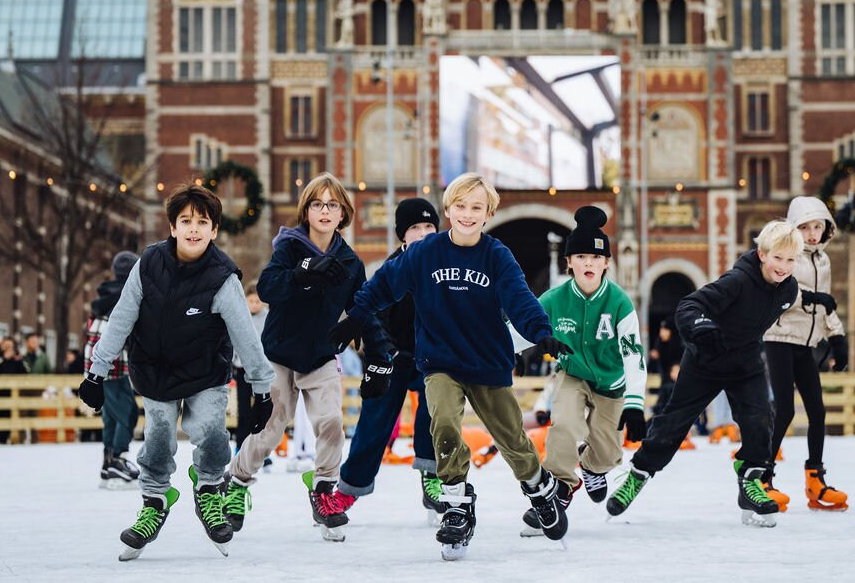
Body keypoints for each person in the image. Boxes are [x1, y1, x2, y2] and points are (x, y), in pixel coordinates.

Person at [328, 172, 573, 559]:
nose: (468, 214)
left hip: (489, 363)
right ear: (448, 210)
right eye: (460, 206)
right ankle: (457, 504)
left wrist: (540, 333)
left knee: (512, 439)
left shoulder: (496, 255)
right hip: (440, 361)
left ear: (488, 213)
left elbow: (519, 298)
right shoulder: (425, 253)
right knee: (440, 422)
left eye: (477, 207)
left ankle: (539, 488)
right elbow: (385, 282)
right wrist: (355, 317)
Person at [78, 184, 275, 559]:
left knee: (209, 432)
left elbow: (245, 336)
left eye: (203, 222)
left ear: (214, 230)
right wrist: (96, 372)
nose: (194, 229)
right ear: (172, 226)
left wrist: (261, 388)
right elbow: (120, 318)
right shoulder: (149, 264)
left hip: (205, 371)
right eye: (186, 221)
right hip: (154, 369)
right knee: (159, 438)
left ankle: (209, 491)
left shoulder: (223, 277)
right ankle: (155, 501)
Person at [224, 172, 390, 542]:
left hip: (320, 355)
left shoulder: (349, 262)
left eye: (332, 204)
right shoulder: (290, 247)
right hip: (280, 353)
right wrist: (303, 272)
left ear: (343, 212)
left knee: (331, 421)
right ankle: (235, 481)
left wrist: (380, 354)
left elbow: (363, 310)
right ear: (307, 211)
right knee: (270, 429)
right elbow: (266, 287)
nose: (325, 210)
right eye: (318, 204)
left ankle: (324, 490)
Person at [606, 220, 804, 528]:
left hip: (746, 364)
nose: (784, 266)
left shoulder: (789, 291)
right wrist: (702, 330)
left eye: (791, 260)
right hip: (705, 362)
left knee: (760, 420)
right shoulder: (738, 280)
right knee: (672, 424)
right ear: (763, 254)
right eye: (778, 258)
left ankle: (750, 481)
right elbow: (689, 306)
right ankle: (637, 476)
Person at [513, 205, 646, 536]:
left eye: (595, 257)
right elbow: (522, 328)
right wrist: (505, 352)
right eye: (581, 257)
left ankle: (591, 466)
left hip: (612, 383)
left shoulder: (619, 303)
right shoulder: (555, 298)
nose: (589, 263)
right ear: (569, 262)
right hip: (572, 373)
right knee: (564, 423)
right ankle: (555, 493)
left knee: (609, 452)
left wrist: (635, 404)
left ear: (606, 263)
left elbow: (634, 357)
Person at [336, 198, 445, 520]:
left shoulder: (446, 266)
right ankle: (348, 488)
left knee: (436, 414)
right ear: (402, 235)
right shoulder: (391, 270)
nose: (423, 234)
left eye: (429, 227)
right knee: (374, 422)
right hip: (393, 356)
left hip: (433, 359)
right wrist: (384, 353)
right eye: (415, 228)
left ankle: (432, 477)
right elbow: (372, 315)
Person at [761, 196, 848, 512]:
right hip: (780, 338)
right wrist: (813, 298)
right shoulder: (789, 257)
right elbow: (780, 295)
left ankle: (815, 478)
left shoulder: (823, 261)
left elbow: (827, 305)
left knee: (818, 411)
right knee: (783, 410)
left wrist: (838, 336)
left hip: (806, 344)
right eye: (806, 227)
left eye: (818, 226)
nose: (812, 234)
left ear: (826, 228)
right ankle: (762, 477)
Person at [84, 250, 144, 490]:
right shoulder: (125, 295)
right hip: (113, 366)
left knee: (110, 416)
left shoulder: (103, 294)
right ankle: (117, 459)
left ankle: (108, 462)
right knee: (127, 414)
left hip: (95, 365)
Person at [231, 282, 268, 453]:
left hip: (262, 371)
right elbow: (232, 340)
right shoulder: (239, 316)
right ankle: (240, 446)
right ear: (245, 300)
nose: (254, 305)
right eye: (251, 301)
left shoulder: (268, 318)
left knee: (262, 410)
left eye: (257, 302)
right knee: (243, 411)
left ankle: (258, 449)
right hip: (242, 369)